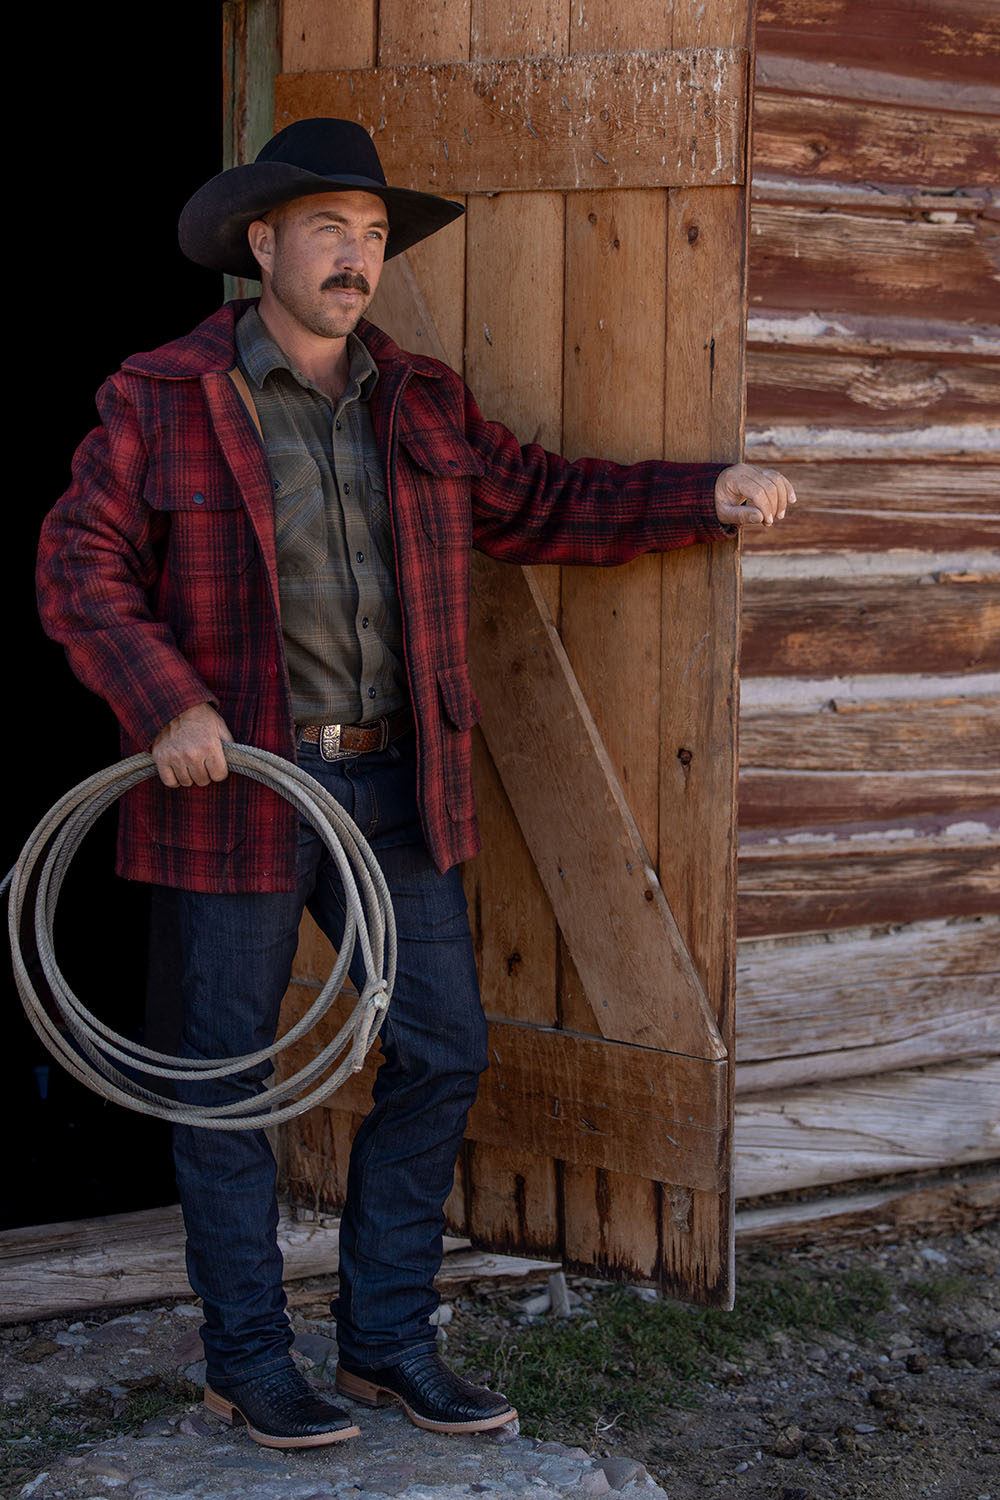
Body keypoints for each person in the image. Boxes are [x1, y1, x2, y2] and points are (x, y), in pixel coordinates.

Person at [37, 118, 796, 1451]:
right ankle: (249, 1362)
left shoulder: (419, 401)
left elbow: (545, 501)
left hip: (391, 781)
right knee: (225, 1084)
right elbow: (78, 570)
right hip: (237, 792)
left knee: (446, 1049)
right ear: (262, 244)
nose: (357, 256)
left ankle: (385, 1341)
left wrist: (706, 492)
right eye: (330, 229)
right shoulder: (158, 396)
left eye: (375, 235)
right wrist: (172, 703)